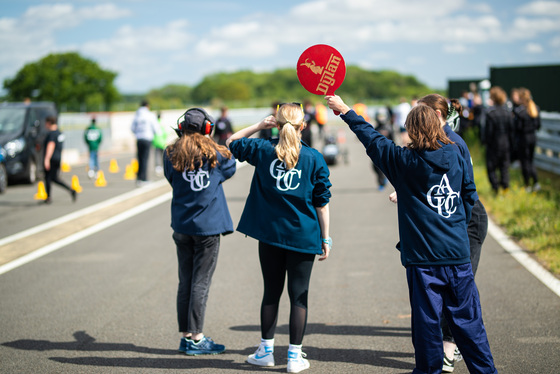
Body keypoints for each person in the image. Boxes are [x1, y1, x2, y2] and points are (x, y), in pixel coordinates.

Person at [325, 95, 497, 374]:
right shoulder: (457, 151)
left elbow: (371, 138)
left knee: (427, 325)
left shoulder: (402, 161)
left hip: (422, 258)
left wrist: (345, 111)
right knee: (469, 322)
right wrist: (453, 225)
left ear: (412, 130)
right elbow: (469, 194)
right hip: (457, 252)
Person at [226, 103, 332, 373]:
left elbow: (231, 141)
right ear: (303, 126)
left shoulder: (262, 150)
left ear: (277, 123)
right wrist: (326, 238)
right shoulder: (314, 158)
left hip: (270, 236)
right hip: (303, 236)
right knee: (299, 297)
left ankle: (266, 351)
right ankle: (295, 358)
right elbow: (322, 203)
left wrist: (260, 126)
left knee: (271, 292)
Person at [416, 94, 489, 372]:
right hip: (455, 218)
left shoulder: (454, 142)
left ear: (436, 113)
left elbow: (465, 192)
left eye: (420, 112)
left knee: (458, 292)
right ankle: (446, 345)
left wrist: (455, 225)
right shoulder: (436, 139)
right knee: (452, 291)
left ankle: (449, 348)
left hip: (466, 221)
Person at [164, 107, 236, 356]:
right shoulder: (215, 154)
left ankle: (186, 336)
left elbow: (170, 178)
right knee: (200, 283)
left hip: (182, 225)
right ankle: (197, 338)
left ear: (181, 127)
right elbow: (231, 168)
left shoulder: (171, 153)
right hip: (206, 227)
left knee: (186, 281)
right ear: (208, 128)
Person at [484, 86, 514, 194]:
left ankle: (495, 188)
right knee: (504, 167)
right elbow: (511, 131)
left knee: (491, 167)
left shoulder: (490, 113)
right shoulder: (508, 112)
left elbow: (488, 132)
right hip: (505, 144)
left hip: (493, 144)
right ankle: (505, 187)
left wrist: (485, 142)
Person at [43, 116, 76, 204]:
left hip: (52, 158)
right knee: (53, 178)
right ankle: (70, 190)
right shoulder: (59, 133)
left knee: (48, 178)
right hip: (58, 158)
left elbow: (51, 145)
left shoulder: (52, 134)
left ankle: (49, 197)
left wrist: (47, 159)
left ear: (49, 123)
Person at [514, 88, 541, 192]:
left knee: (524, 162)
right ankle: (536, 182)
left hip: (523, 139)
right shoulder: (536, 108)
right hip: (533, 137)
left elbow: (518, 127)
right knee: (531, 160)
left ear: (521, 99)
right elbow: (538, 125)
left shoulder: (519, 111)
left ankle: (527, 184)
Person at [131, 100, 160, 186]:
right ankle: (144, 179)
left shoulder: (137, 115)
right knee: (145, 159)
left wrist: (137, 133)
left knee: (139, 158)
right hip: (147, 138)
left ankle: (139, 178)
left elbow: (132, 128)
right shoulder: (150, 115)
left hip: (139, 138)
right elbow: (155, 128)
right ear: (147, 106)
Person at [152, 111, 167, 176]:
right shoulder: (162, 123)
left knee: (156, 155)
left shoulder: (155, 123)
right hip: (162, 142)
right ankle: (163, 166)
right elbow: (166, 133)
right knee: (163, 156)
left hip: (156, 141)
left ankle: (158, 167)